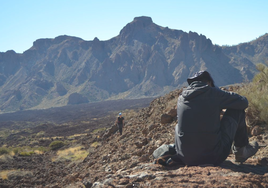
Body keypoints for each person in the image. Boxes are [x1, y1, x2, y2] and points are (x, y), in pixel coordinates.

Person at [172, 70, 259, 166]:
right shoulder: (213, 92)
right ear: (209, 82)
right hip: (213, 157)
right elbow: (243, 102)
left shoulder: (182, 97)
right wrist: (224, 105)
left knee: (178, 126)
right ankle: (241, 151)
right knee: (237, 110)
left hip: (186, 158)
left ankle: (181, 152)